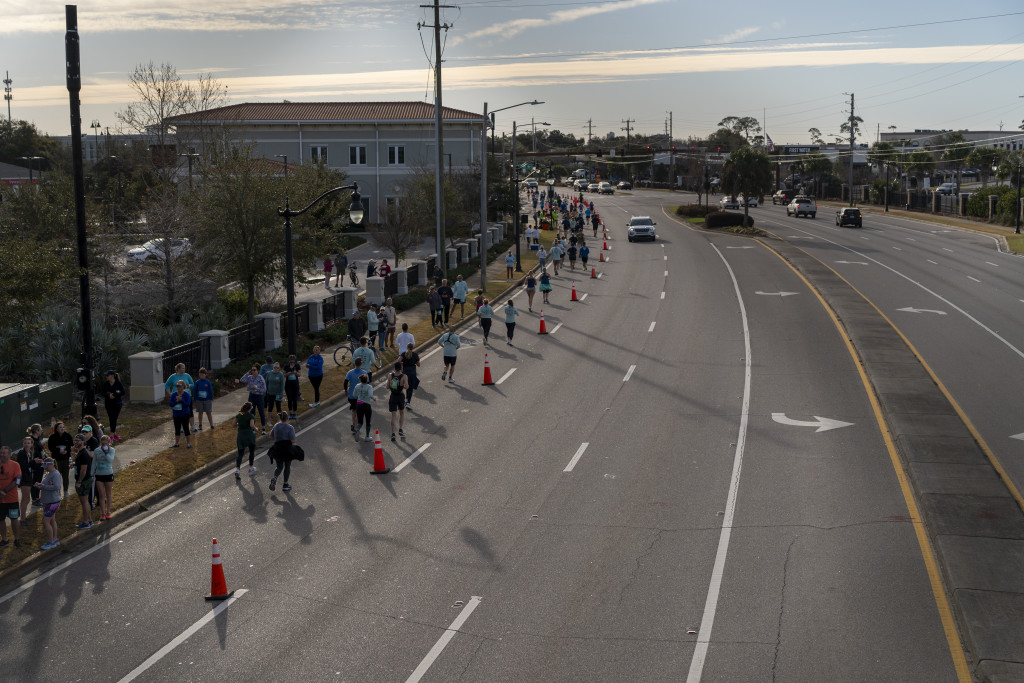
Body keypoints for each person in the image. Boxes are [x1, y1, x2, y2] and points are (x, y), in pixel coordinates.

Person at [35, 458, 62, 550]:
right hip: (49, 501)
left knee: (45, 521)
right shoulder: (49, 474)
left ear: (51, 465)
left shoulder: (56, 474)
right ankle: (54, 539)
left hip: (52, 502)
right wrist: (41, 486)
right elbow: (48, 486)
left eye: (46, 467)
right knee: (52, 520)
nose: (45, 469)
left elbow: (57, 486)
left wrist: (43, 486)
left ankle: (51, 541)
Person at [268, 413, 298, 492]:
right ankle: (285, 484)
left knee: (279, 466)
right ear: (287, 418)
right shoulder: (290, 428)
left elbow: (271, 436)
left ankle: (274, 478)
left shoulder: (276, 426)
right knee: (287, 466)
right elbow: (293, 440)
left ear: (280, 418)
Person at [14, 437, 41, 521]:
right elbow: (23, 466)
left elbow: (30, 466)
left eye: (28, 443)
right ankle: (22, 519)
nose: (26, 444)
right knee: (25, 498)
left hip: (29, 477)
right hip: (24, 479)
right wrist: (33, 462)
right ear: (23, 444)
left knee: (27, 499)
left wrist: (37, 462)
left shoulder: (29, 452)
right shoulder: (21, 453)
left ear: (31, 444)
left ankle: (23, 517)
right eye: (25, 443)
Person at [164, 362, 195, 432]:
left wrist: (189, 386)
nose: (184, 369)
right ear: (178, 369)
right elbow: (167, 385)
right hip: (177, 396)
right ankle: (180, 427)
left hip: (187, 396)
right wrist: (170, 394)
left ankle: (192, 426)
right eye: (183, 368)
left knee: (189, 410)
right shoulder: (173, 376)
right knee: (178, 410)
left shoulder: (187, 375)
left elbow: (193, 384)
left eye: (184, 368)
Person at [0, 446, 22, 548]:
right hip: (1, 500)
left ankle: (17, 539)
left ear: (9, 454)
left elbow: (17, 480)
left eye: (4, 453)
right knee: (1, 520)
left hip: (12, 499)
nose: (2, 455)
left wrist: (5, 491)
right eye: (1, 453)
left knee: (14, 519)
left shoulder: (15, 465)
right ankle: (4, 539)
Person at [236, 365, 268, 433]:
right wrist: (248, 373)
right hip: (252, 396)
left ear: (258, 371)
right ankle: (253, 428)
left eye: (254, 370)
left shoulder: (261, 378)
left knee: (261, 412)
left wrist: (256, 388)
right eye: (252, 370)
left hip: (259, 397)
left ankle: (263, 428)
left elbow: (264, 389)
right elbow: (242, 380)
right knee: (252, 412)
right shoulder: (250, 377)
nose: (253, 371)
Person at [71, 434, 94, 530]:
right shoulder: (80, 452)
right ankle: (89, 520)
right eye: (75, 440)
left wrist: (79, 481)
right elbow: (80, 465)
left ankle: (85, 522)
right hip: (84, 480)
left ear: (83, 442)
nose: (76, 442)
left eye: (78, 440)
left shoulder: (84, 453)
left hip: (84, 481)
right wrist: (74, 464)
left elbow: (83, 470)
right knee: (85, 501)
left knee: (84, 502)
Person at [47, 421, 74, 496]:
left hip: (66, 459)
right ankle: (57, 491)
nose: (62, 428)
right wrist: (58, 451)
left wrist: (66, 451)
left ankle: (65, 491)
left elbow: (71, 445)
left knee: (65, 476)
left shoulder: (67, 436)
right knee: (56, 476)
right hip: (56, 460)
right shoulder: (52, 437)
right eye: (60, 427)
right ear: (56, 429)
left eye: (63, 427)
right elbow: (50, 447)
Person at [93, 434, 115, 521]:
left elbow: (110, 460)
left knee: (108, 494)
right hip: (99, 474)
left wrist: (106, 452)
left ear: (109, 443)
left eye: (106, 444)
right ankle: (102, 513)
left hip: (108, 473)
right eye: (102, 444)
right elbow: (94, 462)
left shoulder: (112, 450)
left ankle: (108, 511)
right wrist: (92, 474)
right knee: (101, 495)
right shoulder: (97, 451)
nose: (104, 446)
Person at [344, 357, 369, 433]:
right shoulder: (364, 373)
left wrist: (346, 390)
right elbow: (367, 384)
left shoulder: (350, 372)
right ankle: (355, 427)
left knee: (354, 410)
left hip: (351, 395)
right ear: (361, 364)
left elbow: (345, 382)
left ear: (355, 364)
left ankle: (354, 424)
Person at [234, 402, 257, 479]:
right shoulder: (251, 416)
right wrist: (256, 428)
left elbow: (234, 424)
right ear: (250, 408)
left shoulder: (239, 415)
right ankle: (251, 467)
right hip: (249, 435)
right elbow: (251, 425)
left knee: (240, 453)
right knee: (251, 451)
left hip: (240, 435)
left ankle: (237, 469)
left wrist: (240, 424)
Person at [387, 362, 409, 441]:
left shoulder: (390, 375)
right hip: (400, 396)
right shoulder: (404, 376)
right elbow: (406, 387)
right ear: (401, 368)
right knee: (401, 412)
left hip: (393, 396)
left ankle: (393, 433)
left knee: (393, 415)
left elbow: (387, 386)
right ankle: (400, 429)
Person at [169, 380, 194, 448]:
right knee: (177, 429)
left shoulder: (186, 395)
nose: (178, 388)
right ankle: (176, 443)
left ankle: (188, 443)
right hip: (176, 415)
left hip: (184, 414)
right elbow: (171, 404)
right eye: (177, 386)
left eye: (180, 386)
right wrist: (176, 401)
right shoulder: (174, 394)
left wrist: (181, 400)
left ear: (183, 387)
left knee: (186, 428)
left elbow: (187, 404)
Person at [101, 371, 126, 438]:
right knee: (111, 417)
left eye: (107, 375)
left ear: (112, 376)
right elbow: (102, 392)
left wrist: (115, 395)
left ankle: (111, 434)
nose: (106, 377)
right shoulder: (105, 384)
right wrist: (108, 394)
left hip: (117, 403)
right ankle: (114, 433)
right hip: (108, 403)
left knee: (114, 418)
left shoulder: (118, 383)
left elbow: (123, 392)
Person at [353, 374, 375, 442]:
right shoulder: (369, 387)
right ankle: (367, 436)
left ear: (360, 380)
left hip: (359, 405)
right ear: (367, 380)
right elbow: (371, 395)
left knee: (360, 422)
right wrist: (374, 398)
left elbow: (354, 395)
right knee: (368, 422)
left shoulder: (357, 386)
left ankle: (357, 429)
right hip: (367, 405)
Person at [401, 343, 421, 410]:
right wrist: (415, 361)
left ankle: (402, 400)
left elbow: (398, 361)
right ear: (413, 348)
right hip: (412, 372)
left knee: (402, 386)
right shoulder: (415, 355)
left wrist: (402, 367)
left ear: (407, 347)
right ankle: (408, 402)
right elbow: (418, 365)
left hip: (405, 372)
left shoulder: (403, 354)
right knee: (410, 388)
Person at [283, 355, 302, 420]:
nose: (291, 363)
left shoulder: (297, 366)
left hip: (295, 384)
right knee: (289, 399)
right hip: (288, 384)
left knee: (295, 399)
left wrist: (295, 372)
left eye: (293, 361)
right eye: (291, 361)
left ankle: (294, 412)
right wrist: (288, 373)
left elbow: (299, 374)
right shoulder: (286, 366)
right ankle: (291, 412)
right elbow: (284, 375)